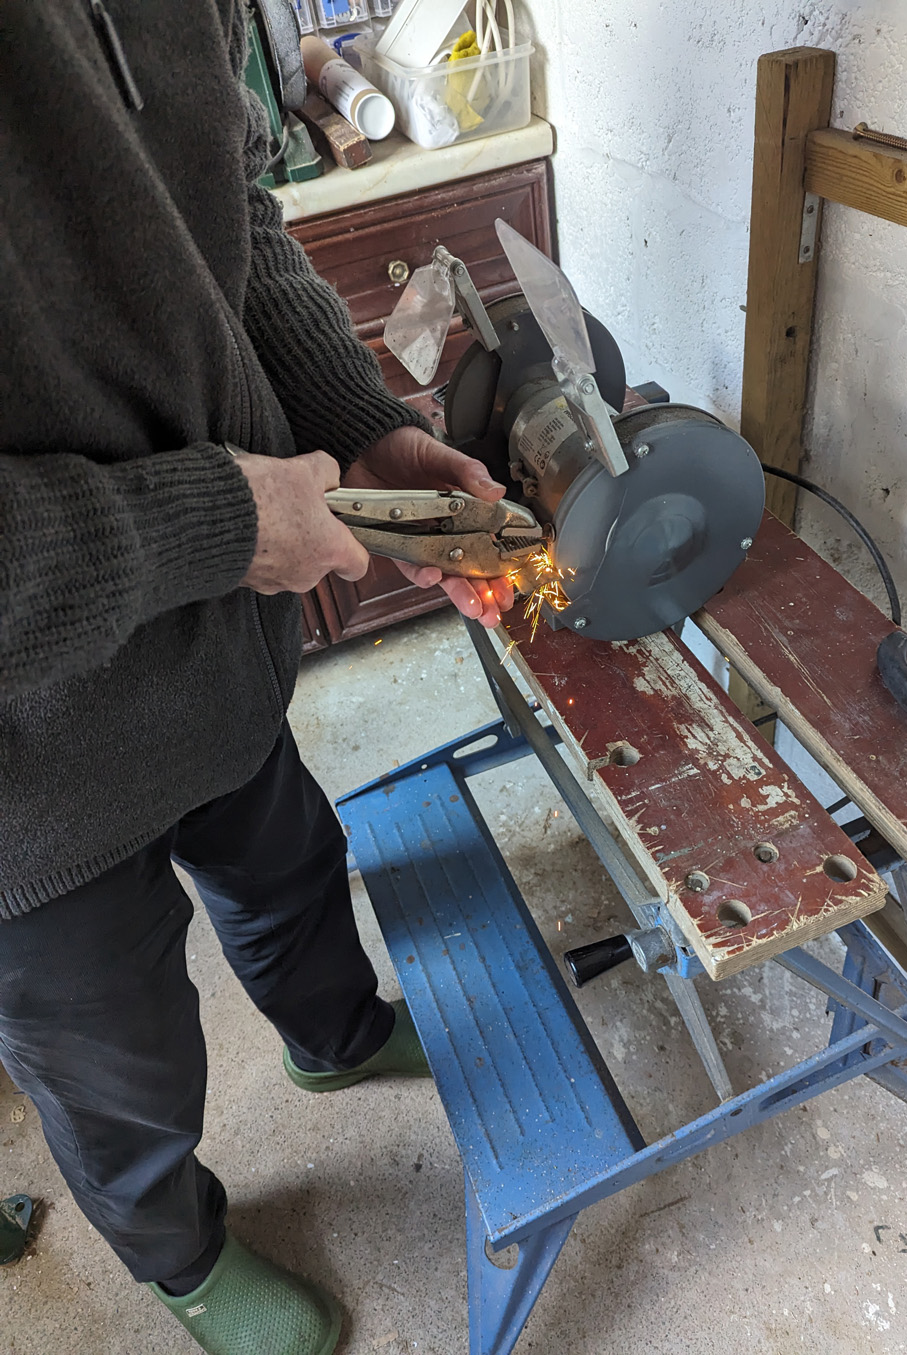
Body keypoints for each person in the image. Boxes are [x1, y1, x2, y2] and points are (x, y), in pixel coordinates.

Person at [0, 5, 514, 1352]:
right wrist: (221, 525)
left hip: (219, 660)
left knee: (289, 870)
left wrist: (361, 425)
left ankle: (334, 1037)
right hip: (26, 779)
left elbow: (232, 223)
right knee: (120, 1064)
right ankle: (178, 1254)